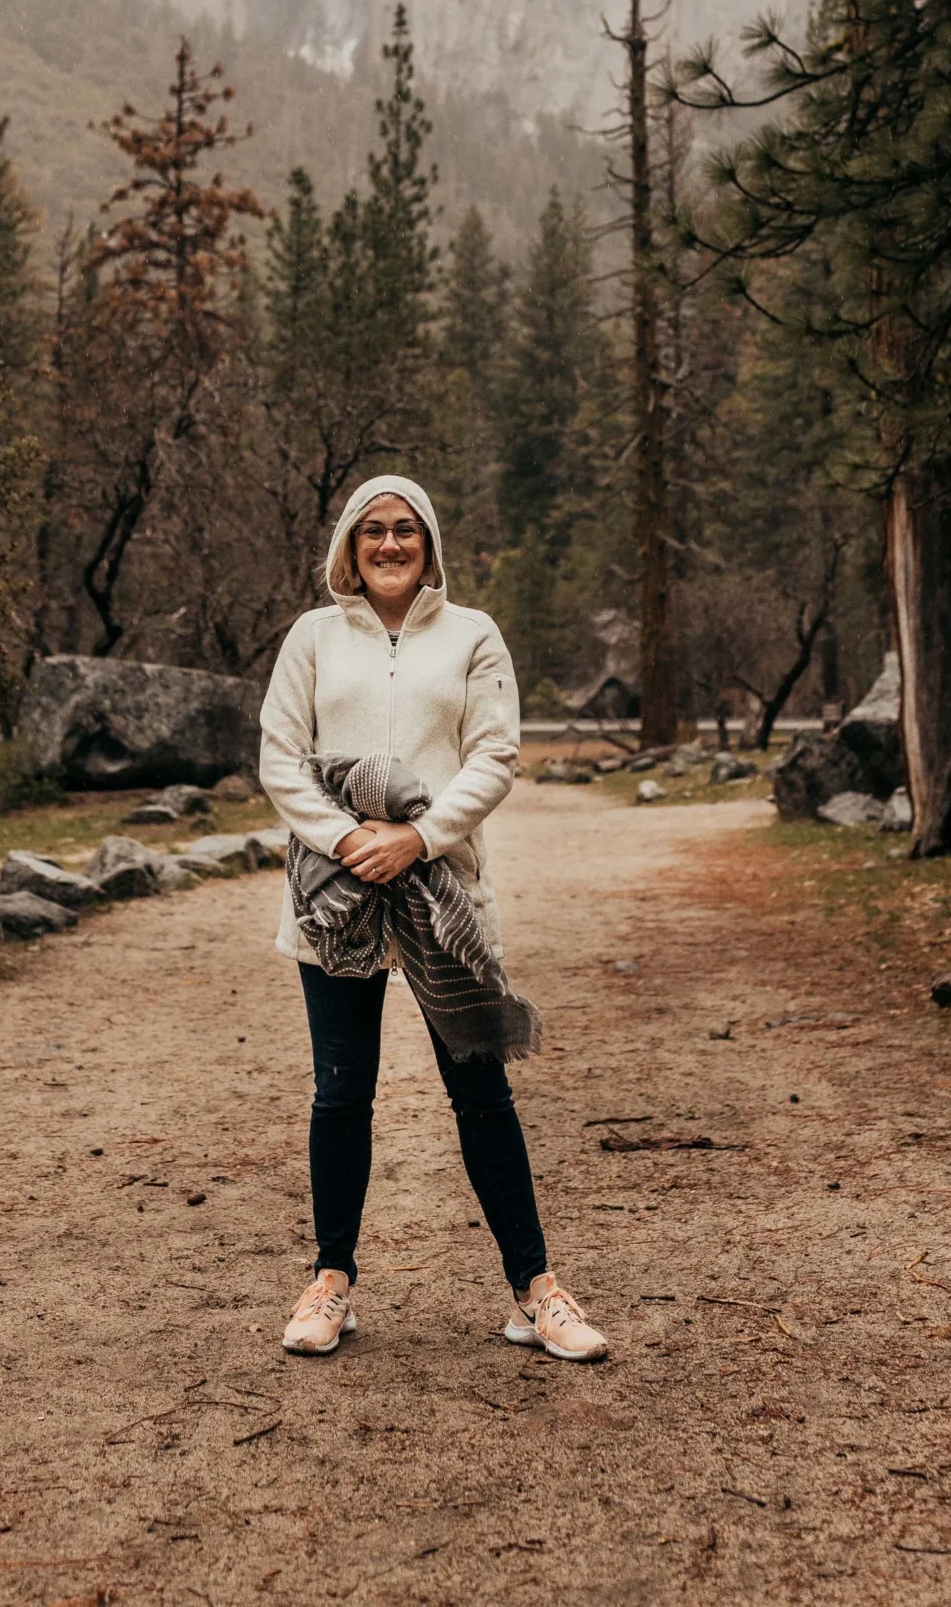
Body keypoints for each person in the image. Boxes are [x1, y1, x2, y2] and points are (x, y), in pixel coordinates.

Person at [258, 472, 608, 1363]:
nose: (389, 543)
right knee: (341, 1093)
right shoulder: (311, 637)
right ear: (349, 543)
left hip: (442, 895)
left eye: (405, 529)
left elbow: (494, 755)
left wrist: (417, 838)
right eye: (372, 529)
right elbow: (280, 757)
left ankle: (536, 1293)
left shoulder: (472, 634)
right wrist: (349, 840)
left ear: (429, 544)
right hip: (334, 896)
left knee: (480, 1094)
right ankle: (330, 1283)